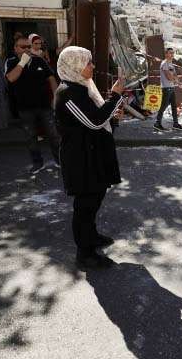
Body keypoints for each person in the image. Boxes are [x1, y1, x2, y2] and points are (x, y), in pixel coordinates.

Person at [54, 46, 125, 269]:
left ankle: (91, 237)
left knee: (94, 200)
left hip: (92, 155)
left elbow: (97, 120)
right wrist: (115, 96)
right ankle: (84, 254)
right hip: (81, 159)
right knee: (85, 206)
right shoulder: (67, 92)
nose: (92, 66)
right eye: (88, 62)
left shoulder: (83, 87)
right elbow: (93, 121)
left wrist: (113, 118)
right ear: (75, 65)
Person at [5, 36, 60, 174]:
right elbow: (11, 78)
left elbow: (51, 78)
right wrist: (22, 63)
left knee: (53, 134)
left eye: (28, 47)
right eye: (23, 47)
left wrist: (56, 97)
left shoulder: (39, 60)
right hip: (25, 107)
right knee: (31, 136)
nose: (27, 49)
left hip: (44, 106)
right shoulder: (11, 62)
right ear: (15, 48)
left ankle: (60, 160)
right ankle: (37, 163)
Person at [153, 47, 182, 131]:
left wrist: (179, 83)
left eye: (173, 53)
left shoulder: (171, 64)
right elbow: (169, 77)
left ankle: (175, 123)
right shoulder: (164, 63)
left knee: (174, 106)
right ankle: (157, 123)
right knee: (163, 106)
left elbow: (174, 76)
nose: (172, 55)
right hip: (166, 88)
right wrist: (174, 78)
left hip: (171, 88)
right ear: (166, 54)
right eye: (170, 53)